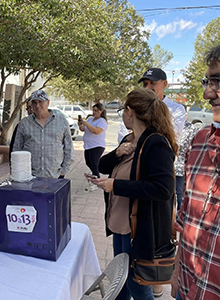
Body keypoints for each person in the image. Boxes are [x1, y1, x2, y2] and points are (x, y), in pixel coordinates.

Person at [92, 88, 177, 300]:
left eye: (123, 109)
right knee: (120, 280)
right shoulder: (131, 139)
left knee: (137, 284)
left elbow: (163, 189)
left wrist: (116, 185)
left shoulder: (155, 143)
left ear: (130, 112)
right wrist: (117, 153)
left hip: (138, 228)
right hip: (122, 223)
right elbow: (102, 164)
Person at [171, 45, 220, 300]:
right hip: (188, 285)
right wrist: (178, 270)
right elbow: (188, 215)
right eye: (207, 81)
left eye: (218, 81)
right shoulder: (200, 141)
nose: (207, 93)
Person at [12, 89, 75, 178]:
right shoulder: (24, 123)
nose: (37, 106)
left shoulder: (61, 122)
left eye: (40, 102)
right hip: (30, 177)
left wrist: (63, 171)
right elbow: (17, 149)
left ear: (48, 102)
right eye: (34, 102)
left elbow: (69, 149)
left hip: (55, 177)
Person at [118, 67, 186, 144]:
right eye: (145, 84)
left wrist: (135, 133)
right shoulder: (135, 107)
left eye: (153, 83)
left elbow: (171, 137)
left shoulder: (176, 109)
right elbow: (122, 137)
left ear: (164, 84)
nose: (147, 87)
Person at [174, 104, 199, 211]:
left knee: (179, 193)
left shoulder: (192, 129)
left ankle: (178, 219)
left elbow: (193, 150)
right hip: (168, 165)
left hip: (181, 167)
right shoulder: (170, 126)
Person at [78, 103, 108, 191]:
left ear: (101, 111)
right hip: (88, 146)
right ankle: (96, 175)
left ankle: (97, 181)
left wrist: (86, 123)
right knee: (88, 162)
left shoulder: (102, 121)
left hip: (97, 145)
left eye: (96, 111)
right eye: (93, 110)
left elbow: (96, 131)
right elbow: (83, 129)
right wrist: (80, 124)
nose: (94, 112)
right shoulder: (90, 119)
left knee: (94, 163)